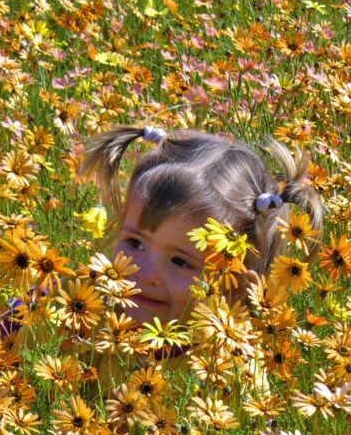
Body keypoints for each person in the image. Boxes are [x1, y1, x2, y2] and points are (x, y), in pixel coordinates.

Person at [80, 124, 324, 326]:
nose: (144, 273)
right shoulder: (83, 315)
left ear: (237, 288)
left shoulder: (229, 371)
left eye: (180, 261)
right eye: (135, 243)